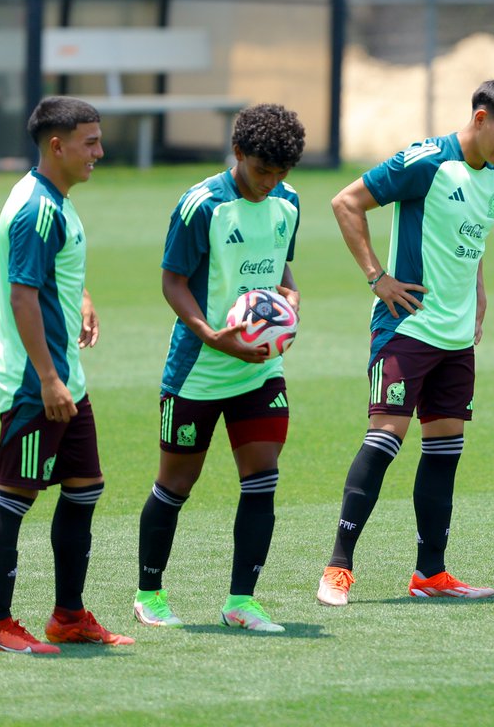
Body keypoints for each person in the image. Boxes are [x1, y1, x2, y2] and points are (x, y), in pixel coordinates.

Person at [315, 79, 494, 606]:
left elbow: (472, 239)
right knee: (385, 439)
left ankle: (430, 574)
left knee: (444, 452)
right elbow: (346, 202)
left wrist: (479, 294)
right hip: (407, 328)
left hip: (458, 338)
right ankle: (338, 567)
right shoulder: (427, 162)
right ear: (480, 117)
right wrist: (377, 277)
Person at [133, 103, 305, 632]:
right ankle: (149, 594)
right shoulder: (201, 205)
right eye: (261, 171)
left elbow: (282, 267)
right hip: (197, 372)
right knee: (175, 484)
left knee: (262, 479)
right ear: (239, 154)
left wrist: (291, 302)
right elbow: (173, 280)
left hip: (258, 371)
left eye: (280, 173)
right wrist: (212, 336)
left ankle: (241, 602)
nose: (269, 183)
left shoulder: (288, 202)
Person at [0, 96, 133, 654]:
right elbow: (22, 297)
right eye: (90, 142)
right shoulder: (37, 209)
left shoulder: (56, 201)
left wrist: (82, 296)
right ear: (57, 145)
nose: (100, 151)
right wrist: (46, 377)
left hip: (67, 374)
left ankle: (68, 615)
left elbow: (50, 272)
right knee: (14, 494)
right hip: (35, 381)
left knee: (84, 487)